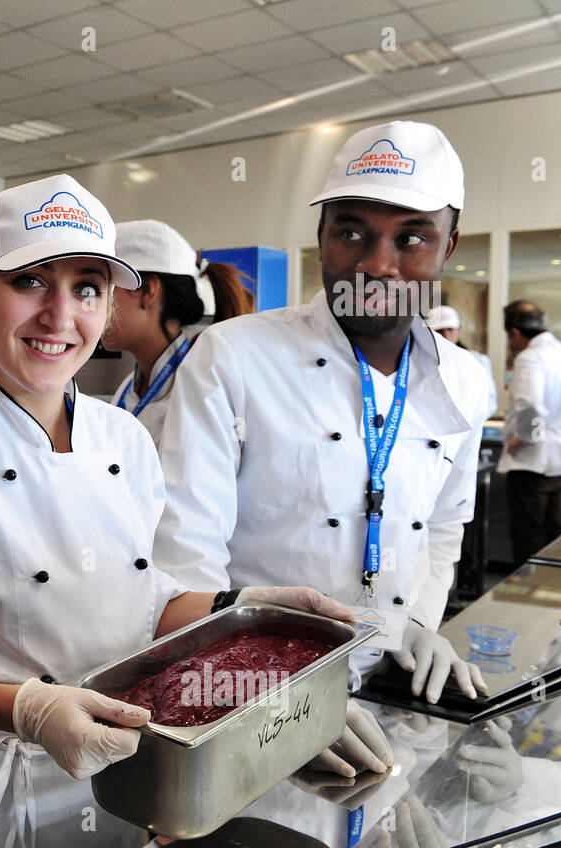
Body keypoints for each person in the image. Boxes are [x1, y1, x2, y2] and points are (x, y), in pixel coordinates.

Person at [0, 174, 359, 848]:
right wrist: (27, 708)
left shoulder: (125, 441)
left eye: (87, 288)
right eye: (30, 281)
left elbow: (144, 601)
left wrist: (244, 608)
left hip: (112, 787)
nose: (60, 316)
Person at [155, 120, 491, 713]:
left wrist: (416, 624)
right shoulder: (235, 357)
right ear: (321, 233)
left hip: (390, 693)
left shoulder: (466, 379)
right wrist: (273, 701)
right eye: (353, 231)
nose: (377, 265)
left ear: (450, 245)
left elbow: (443, 528)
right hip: (245, 695)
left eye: (412, 237)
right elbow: (185, 561)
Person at [103, 220, 254, 444]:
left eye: (106, 286)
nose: (93, 302)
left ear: (147, 291)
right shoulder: (127, 389)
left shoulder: (205, 393)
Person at [498, 300, 561, 566]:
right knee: (554, 535)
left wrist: (522, 438)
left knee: (529, 538)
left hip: (532, 462)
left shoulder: (530, 357)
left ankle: (526, 600)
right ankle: (550, 594)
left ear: (514, 332)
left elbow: (531, 405)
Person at [427, 305, 496, 416]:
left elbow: (489, 402)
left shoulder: (479, 361)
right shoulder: (420, 362)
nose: (445, 335)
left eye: (450, 329)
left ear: (458, 329)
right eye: (439, 331)